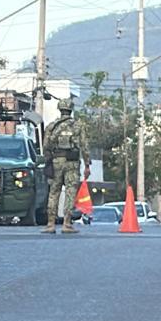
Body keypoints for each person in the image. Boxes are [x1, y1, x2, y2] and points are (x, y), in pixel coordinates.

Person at [42, 97, 90, 234]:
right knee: (70, 192)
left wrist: (48, 161)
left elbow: (45, 146)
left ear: (60, 109)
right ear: (71, 109)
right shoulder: (78, 126)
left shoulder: (52, 126)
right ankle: (67, 223)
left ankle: (50, 224)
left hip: (56, 162)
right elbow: (84, 146)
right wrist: (87, 165)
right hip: (72, 162)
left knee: (54, 192)